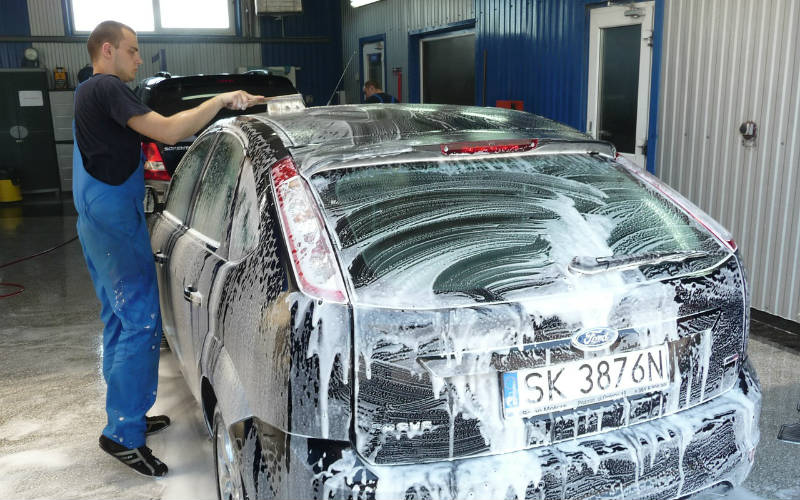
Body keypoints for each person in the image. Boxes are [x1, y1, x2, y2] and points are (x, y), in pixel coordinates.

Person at [72, 20, 263, 477]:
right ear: (107, 49)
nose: (139, 59)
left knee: (120, 321)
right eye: (133, 51)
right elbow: (171, 132)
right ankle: (123, 437)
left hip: (101, 216)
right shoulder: (107, 87)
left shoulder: (88, 91)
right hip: (114, 222)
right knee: (139, 321)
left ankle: (125, 419)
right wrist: (220, 100)